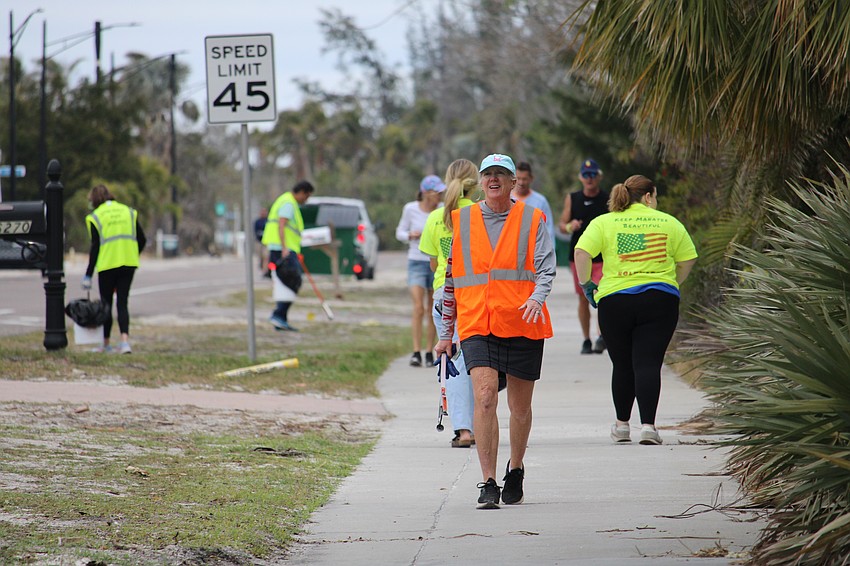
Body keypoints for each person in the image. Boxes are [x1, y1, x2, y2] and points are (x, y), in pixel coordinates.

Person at [434, 153, 555, 509]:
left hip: (522, 321)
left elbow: (547, 269)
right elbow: (452, 279)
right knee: (485, 396)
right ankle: (487, 481)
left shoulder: (532, 218)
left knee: (520, 407)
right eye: (489, 174)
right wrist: (446, 332)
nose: (494, 179)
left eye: (502, 174)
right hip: (477, 323)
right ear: (481, 180)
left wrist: (537, 297)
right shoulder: (464, 219)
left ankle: (515, 468)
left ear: (514, 181)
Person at [574, 174, 697, 445]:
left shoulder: (604, 222)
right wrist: (673, 282)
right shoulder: (668, 222)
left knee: (622, 364)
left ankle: (621, 426)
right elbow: (688, 257)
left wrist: (587, 286)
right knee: (648, 362)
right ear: (649, 196)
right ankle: (649, 427)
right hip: (659, 300)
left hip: (615, 300)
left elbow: (581, 253)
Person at [419, 159, 478, 448]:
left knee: (452, 360)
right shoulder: (480, 214)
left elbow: (433, 264)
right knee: (478, 360)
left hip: (445, 293)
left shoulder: (434, 218)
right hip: (475, 293)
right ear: (475, 183)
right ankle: (481, 425)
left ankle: (463, 430)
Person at [82, 184, 147, 354]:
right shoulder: (128, 211)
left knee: (106, 304)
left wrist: (88, 275)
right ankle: (125, 342)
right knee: (122, 302)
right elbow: (142, 239)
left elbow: (95, 248)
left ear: (94, 200)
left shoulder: (96, 216)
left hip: (108, 264)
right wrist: (133, 253)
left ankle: (106, 343)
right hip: (128, 263)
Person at [559, 158, 609, 355]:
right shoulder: (573, 198)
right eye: (586, 175)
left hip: (602, 256)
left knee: (603, 296)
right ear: (581, 177)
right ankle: (586, 339)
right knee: (582, 298)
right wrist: (571, 226)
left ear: (599, 177)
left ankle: (601, 336)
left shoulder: (607, 199)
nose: (590, 179)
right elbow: (562, 225)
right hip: (578, 256)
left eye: (593, 175)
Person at [396, 175, 445, 367]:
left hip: (436, 263)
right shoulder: (410, 209)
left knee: (433, 309)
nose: (440, 196)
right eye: (436, 193)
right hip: (416, 261)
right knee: (418, 308)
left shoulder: (442, 210)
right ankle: (416, 351)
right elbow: (399, 232)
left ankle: (429, 351)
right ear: (425, 193)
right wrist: (410, 235)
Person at [262, 181, 315, 332]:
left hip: (284, 248)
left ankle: (281, 318)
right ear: (302, 192)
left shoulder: (288, 201)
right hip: (282, 249)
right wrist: (285, 248)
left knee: (286, 282)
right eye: (307, 196)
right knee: (292, 280)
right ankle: (278, 315)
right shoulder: (288, 203)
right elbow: (282, 224)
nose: (306, 199)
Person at [512, 161, 555, 243]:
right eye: (518, 178)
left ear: (531, 179)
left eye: (524, 179)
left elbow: (548, 230)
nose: (521, 183)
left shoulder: (540, 201)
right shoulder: (507, 199)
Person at [254, 207, 270, 278]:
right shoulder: (257, 222)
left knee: (266, 257)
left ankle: (265, 271)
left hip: (266, 242)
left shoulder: (268, 221)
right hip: (259, 242)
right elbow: (255, 231)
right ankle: (261, 269)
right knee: (260, 257)